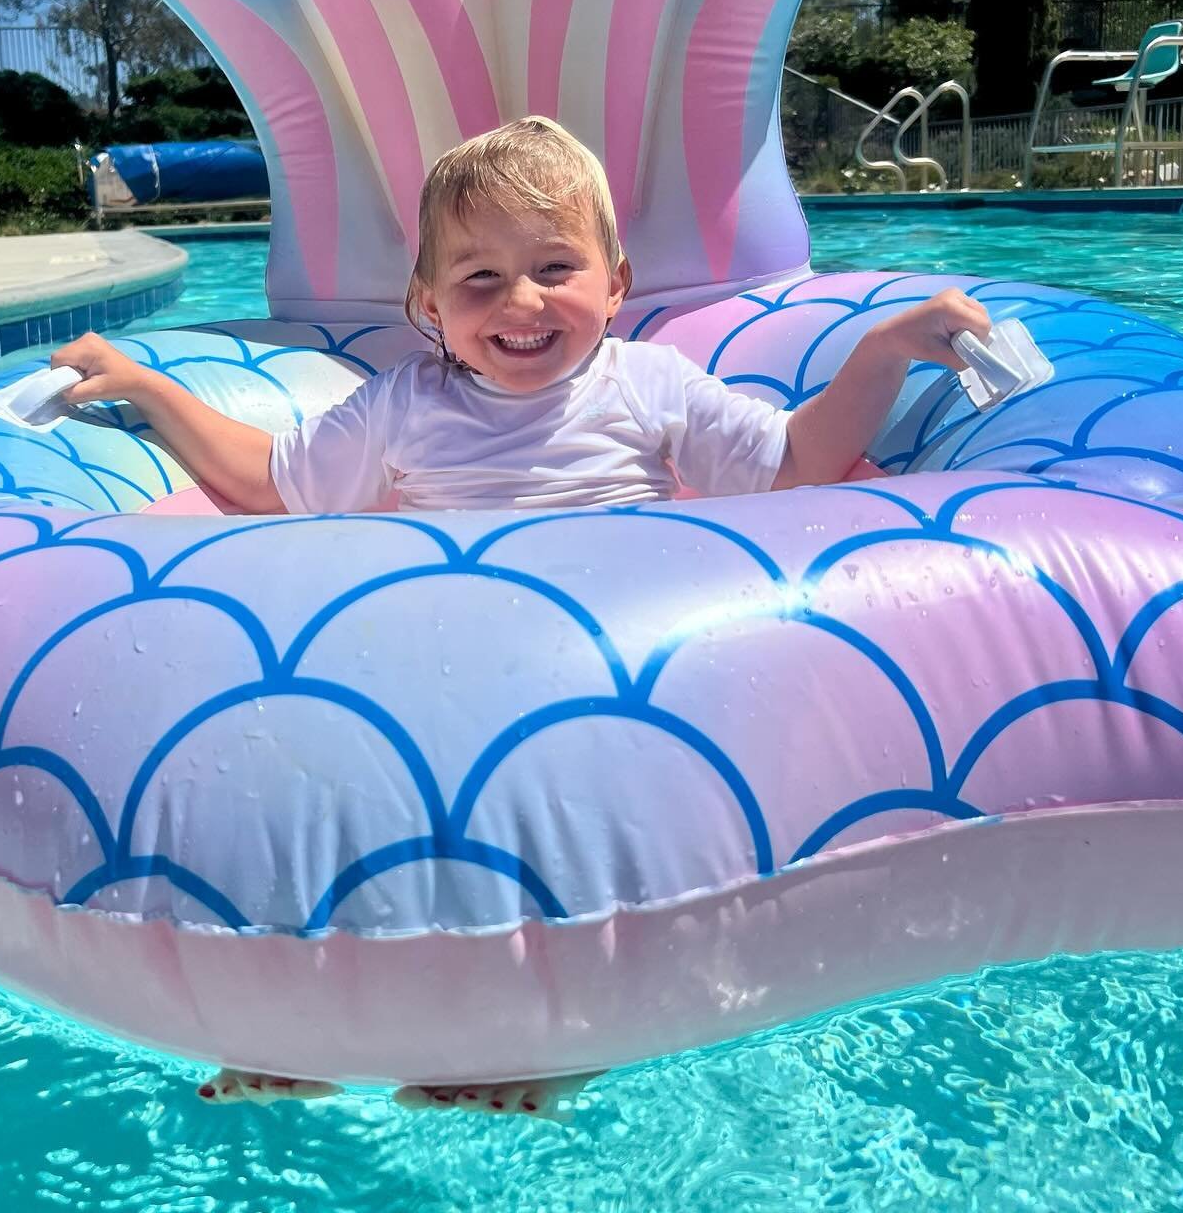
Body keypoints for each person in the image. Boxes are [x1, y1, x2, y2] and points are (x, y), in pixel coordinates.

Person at [51, 115, 991, 1117]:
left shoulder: (650, 387)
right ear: (428, 303)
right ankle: (309, 1023)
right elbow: (270, 483)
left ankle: (582, 1038)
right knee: (333, 788)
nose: (523, 302)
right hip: (440, 670)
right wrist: (148, 388)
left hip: (601, 675)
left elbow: (797, 463)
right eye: (480, 279)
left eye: (555, 265)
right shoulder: (401, 404)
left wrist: (886, 352)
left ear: (616, 283)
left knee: (626, 832)